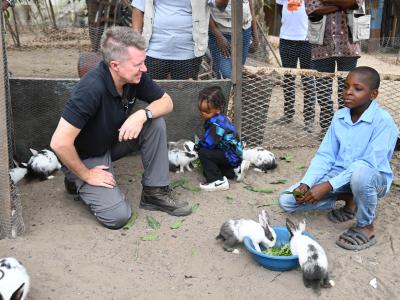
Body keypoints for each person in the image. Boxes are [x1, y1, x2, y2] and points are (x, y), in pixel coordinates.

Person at [50, 26, 192, 230]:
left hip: (112, 141)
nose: (144, 68)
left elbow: (167, 102)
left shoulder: (134, 77)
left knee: (154, 121)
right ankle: (75, 177)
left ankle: (155, 192)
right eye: (138, 64)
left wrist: (141, 114)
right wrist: (86, 174)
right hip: (87, 156)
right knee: (118, 217)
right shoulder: (90, 89)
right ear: (115, 65)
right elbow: (59, 142)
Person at [278, 66, 398, 251]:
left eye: (357, 89)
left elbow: (368, 164)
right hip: (340, 177)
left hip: (372, 179)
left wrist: (327, 186)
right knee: (288, 200)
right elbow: (326, 155)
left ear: (373, 94)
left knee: (360, 174)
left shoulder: (384, 122)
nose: (349, 92)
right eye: (346, 86)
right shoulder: (339, 116)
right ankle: (348, 199)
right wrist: (307, 183)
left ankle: (366, 225)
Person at [305, 0, 365, 134]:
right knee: (323, 93)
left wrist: (326, 2)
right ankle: (327, 130)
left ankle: (345, 130)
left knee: (348, 93)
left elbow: (356, 4)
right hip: (322, 47)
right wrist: (341, 4)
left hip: (348, 47)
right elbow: (312, 9)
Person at [131, 0, 229, 80]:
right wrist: (136, 42)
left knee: (185, 95)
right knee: (151, 94)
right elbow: (138, 8)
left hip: (188, 52)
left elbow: (220, 5)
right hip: (154, 50)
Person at [195, 86, 250, 191]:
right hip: (233, 153)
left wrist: (197, 146)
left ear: (218, 109)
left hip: (230, 154)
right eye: (201, 110)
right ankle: (233, 171)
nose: (203, 114)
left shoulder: (216, 124)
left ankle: (217, 181)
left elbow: (209, 143)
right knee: (207, 167)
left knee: (203, 153)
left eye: (206, 111)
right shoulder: (219, 119)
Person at [274, 0, 316, 132]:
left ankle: (309, 119)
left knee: (308, 79)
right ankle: (288, 114)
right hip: (286, 40)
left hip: (307, 40)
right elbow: (280, 9)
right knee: (288, 78)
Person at [208, 0, 259, 79]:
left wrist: (255, 34)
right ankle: (225, 90)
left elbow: (250, 5)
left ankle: (233, 91)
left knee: (238, 71)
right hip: (221, 34)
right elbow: (203, 11)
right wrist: (218, 36)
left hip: (244, 31)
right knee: (226, 75)